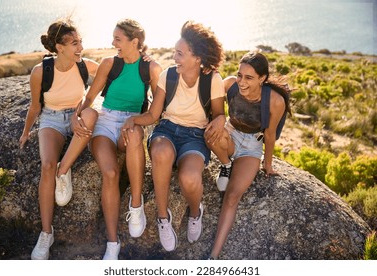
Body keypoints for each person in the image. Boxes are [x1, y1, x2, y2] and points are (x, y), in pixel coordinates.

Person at [122, 20, 225, 252]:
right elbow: (154, 115)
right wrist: (134, 120)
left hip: (195, 137)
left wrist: (221, 119)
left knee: (189, 179)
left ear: (197, 58)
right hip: (166, 130)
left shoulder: (212, 80)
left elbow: (219, 115)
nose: (174, 57)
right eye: (174, 52)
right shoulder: (167, 76)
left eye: (180, 53)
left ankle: (195, 212)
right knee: (160, 153)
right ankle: (162, 217)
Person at [73, 18, 162, 260]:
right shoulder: (109, 63)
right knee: (110, 173)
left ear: (135, 42)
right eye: (113, 38)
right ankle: (113, 242)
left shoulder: (151, 68)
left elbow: (156, 111)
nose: (113, 43)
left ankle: (136, 204)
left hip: (132, 121)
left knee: (134, 136)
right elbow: (90, 97)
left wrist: (137, 120)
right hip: (105, 121)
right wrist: (76, 116)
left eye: (118, 39)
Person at [19, 18, 99, 260]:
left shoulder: (84, 65)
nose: (80, 47)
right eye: (74, 43)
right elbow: (35, 107)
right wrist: (25, 132)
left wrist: (143, 57)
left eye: (81, 41)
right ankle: (46, 233)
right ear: (59, 47)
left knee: (91, 115)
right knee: (46, 166)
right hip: (51, 119)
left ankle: (64, 171)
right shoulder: (40, 72)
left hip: (76, 114)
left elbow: (114, 67)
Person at [205, 51, 292, 259]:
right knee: (210, 133)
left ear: (262, 79)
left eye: (249, 78)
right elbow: (208, 91)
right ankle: (225, 164)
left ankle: (213, 257)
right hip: (231, 134)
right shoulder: (229, 85)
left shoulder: (275, 101)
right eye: (239, 75)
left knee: (232, 196)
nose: (242, 82)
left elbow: (270, 136)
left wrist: (267, 164)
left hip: (253, 145)